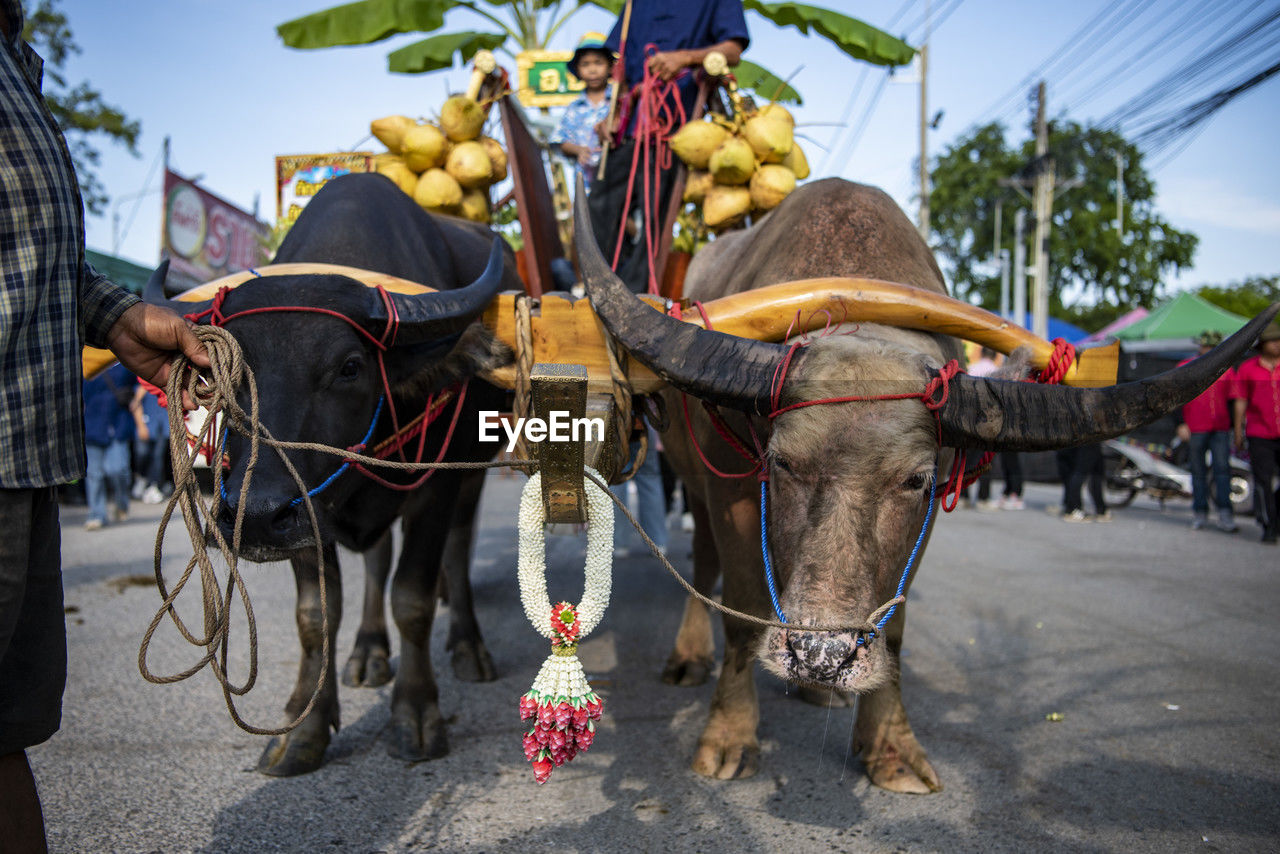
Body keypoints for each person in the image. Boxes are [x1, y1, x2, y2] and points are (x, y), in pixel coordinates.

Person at [1, 3, 209, 849]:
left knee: (6, 726)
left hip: (23, 457)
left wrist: (120, 316)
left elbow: (31, 258)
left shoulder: (18, 61)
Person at [588, 0, 749, 294]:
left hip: (679, 128)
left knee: (655, 215)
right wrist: (613, 114)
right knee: (599, 206)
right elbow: (620, 68)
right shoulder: (634, 3)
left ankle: (636, 298)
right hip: (631, 125)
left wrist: (685, 58)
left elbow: (732, 51)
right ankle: (596, 290)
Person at [1177, 330, 1238, 532]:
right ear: (1199, 346)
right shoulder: (1185, 368)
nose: (1209, 350)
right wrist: (1180, 423)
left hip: (1220, 428)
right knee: (1198, 471)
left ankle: (1225, 513)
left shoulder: (1226, 370)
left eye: (1213, 347)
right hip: (1195, 427)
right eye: (1206, 346)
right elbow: (1175, 399)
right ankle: (1200, 512)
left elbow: (1234, 401)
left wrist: (1234, 428)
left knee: (1222, 470)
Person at [1231, 322, 1280, 544]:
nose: (1278, 344)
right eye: (1273, 340)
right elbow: (1241, 401)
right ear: (1263, 345)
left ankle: (1274, 514)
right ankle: (1269, 525)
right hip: (1259, 433)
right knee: (1263, 480)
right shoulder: (1248, 369)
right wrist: (1238, 431)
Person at [550, 33, 615, 189]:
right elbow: (560, 140)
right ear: (578, 70)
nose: (592, 70)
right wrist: (578, 150)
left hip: (617, 176)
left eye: (598, 63)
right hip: (586, 183)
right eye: (585, 64)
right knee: (586, 212)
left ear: (610, 67)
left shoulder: (618, 101)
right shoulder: (574, 108)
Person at [81, 364, 138, 530]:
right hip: (91, 425)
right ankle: (97, 515)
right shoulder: (83, 363)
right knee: (94, 475)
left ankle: (122, 503)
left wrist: (136, 401)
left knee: (118, 469)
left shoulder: (121, 363)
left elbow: (142, 382)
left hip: (117, 423)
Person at [131, 382, 171, 504]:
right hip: (147, 423)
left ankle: (154, 486)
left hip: (162, 424)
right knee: (142, 454)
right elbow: (135, 405)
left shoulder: (167, 383)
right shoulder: (143, 384)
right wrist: (140, 425)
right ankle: (141, 477)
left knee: (158, 457)